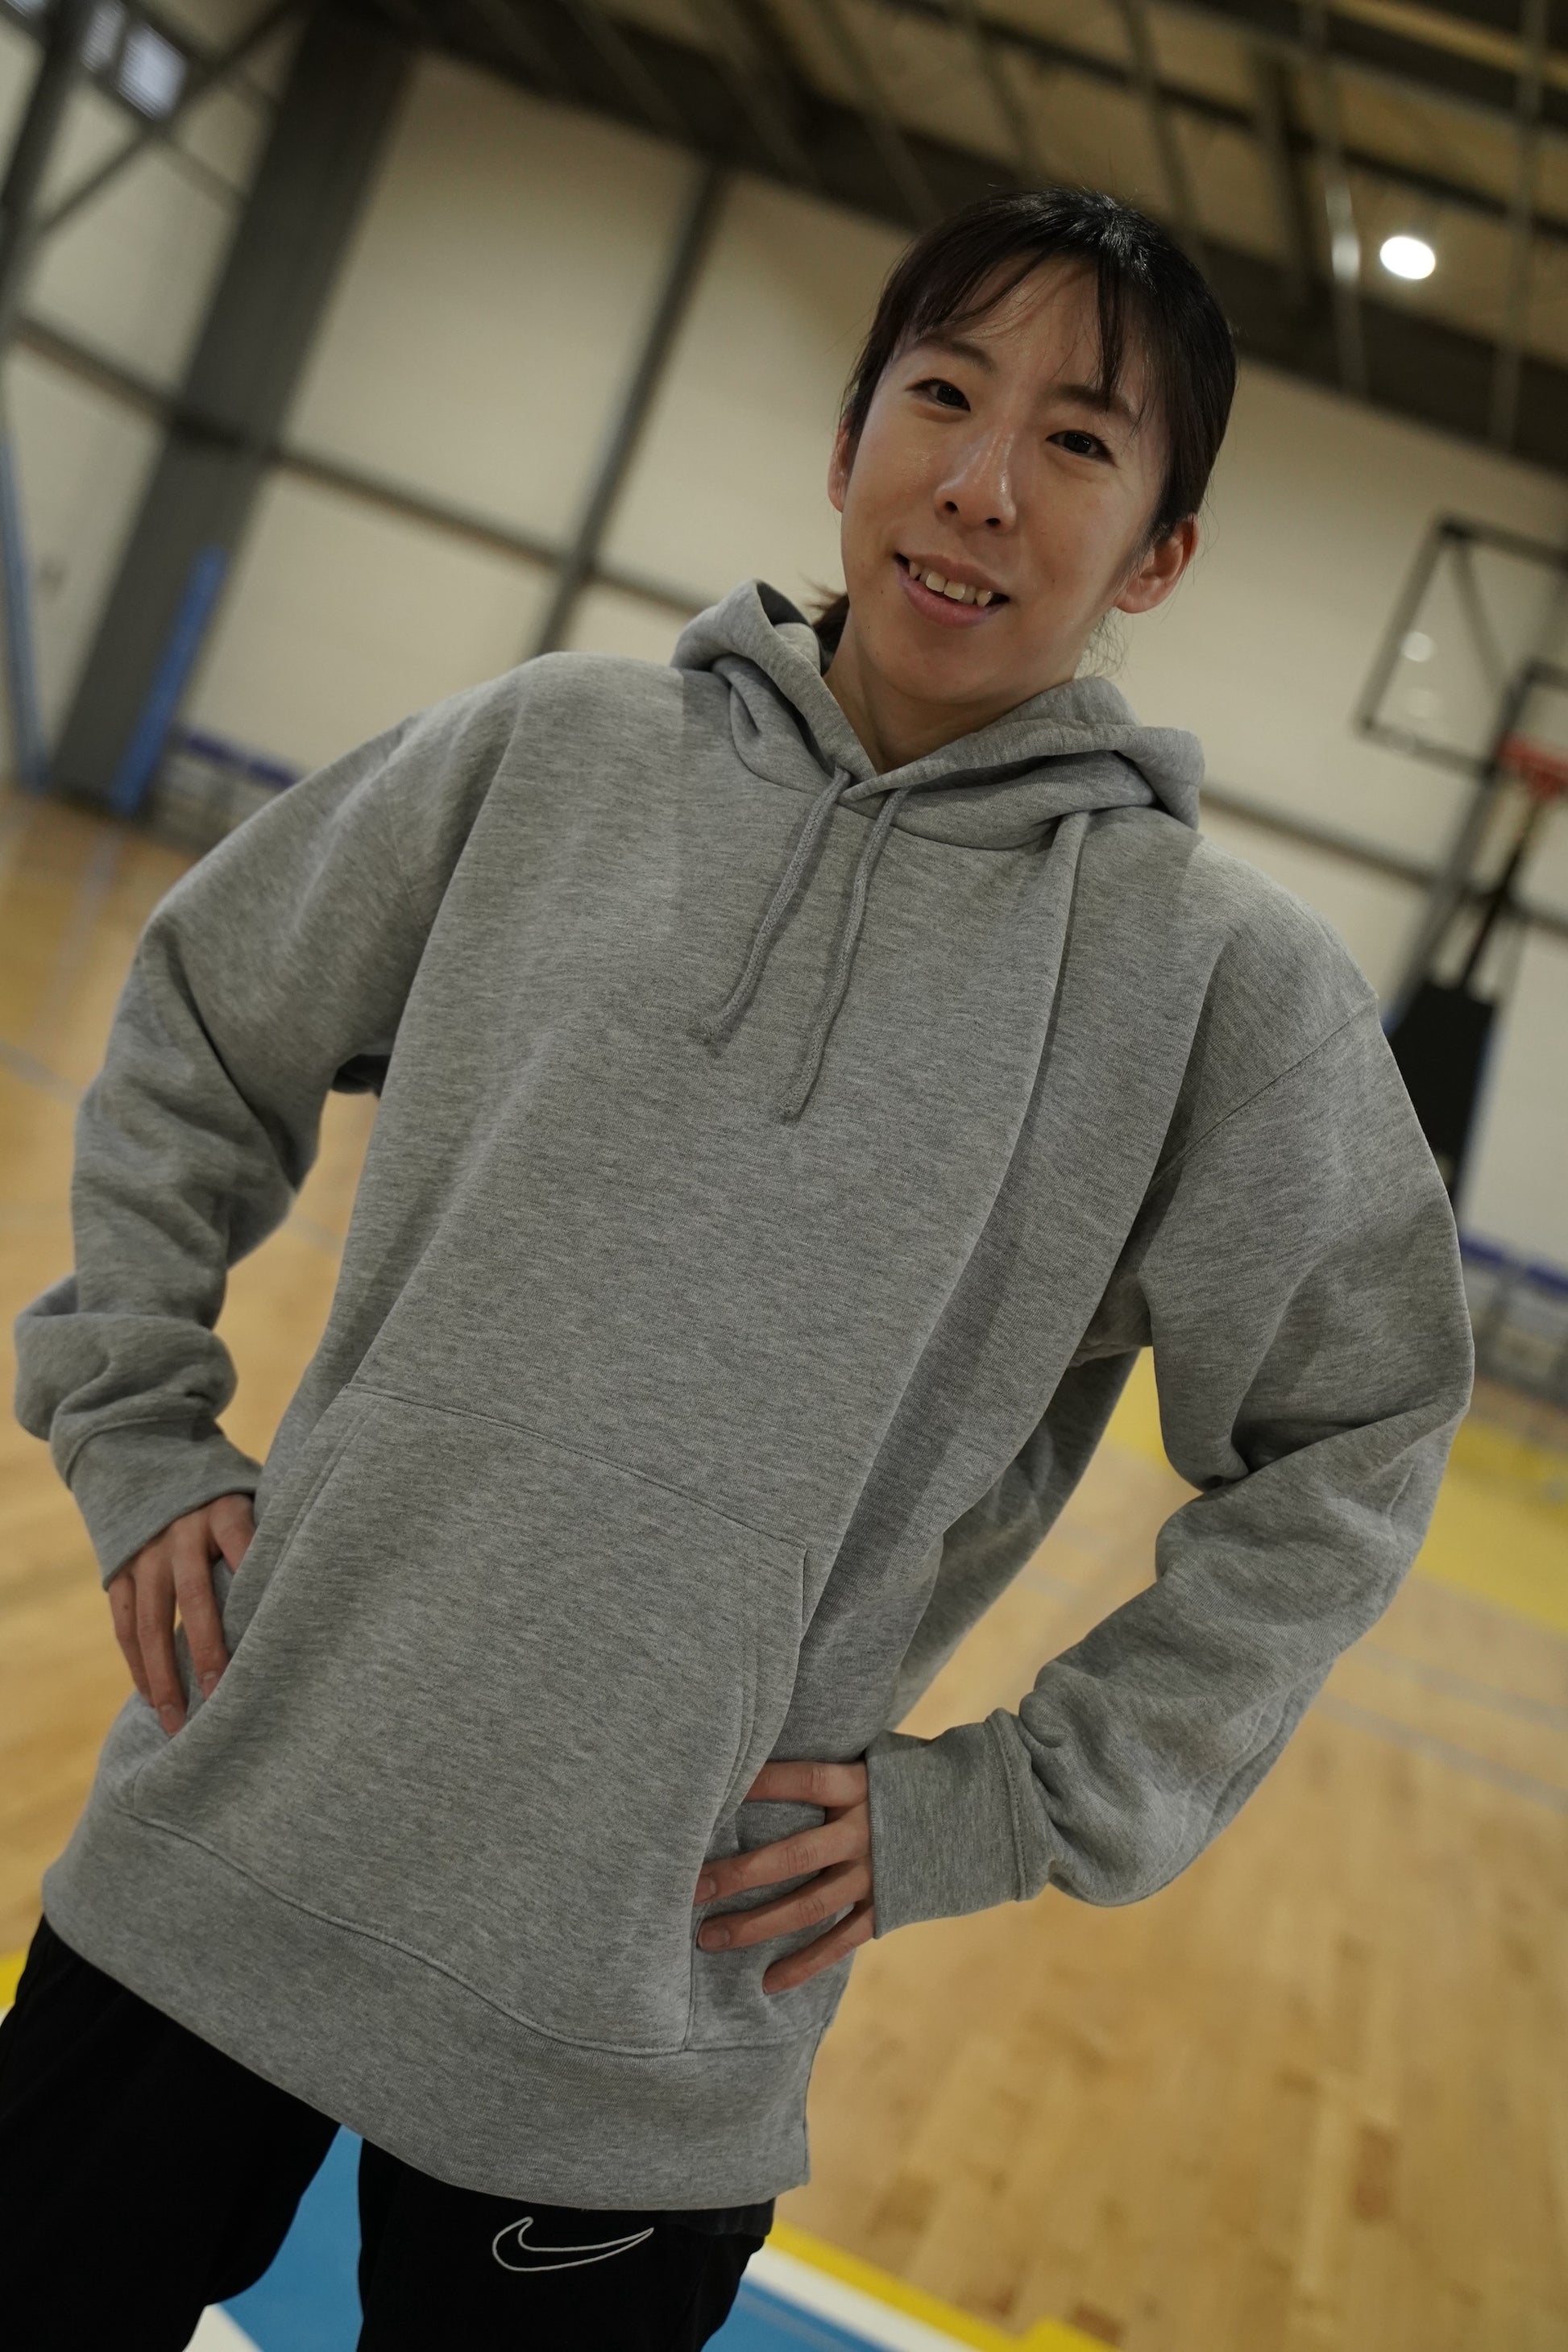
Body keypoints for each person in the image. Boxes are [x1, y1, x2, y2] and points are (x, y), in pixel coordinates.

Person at [2, 186, 1471, 2350]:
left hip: (638, 2019)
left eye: (1076, 442)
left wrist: (1012, 1803)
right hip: (230, 1851)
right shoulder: (555, 750)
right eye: (941, 397)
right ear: (848, 439)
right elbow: (210, 1013)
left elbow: (1358, 1432)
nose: (980, 485)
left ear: (1157, 556)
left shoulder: (1212, 989)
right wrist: (136, 1420)